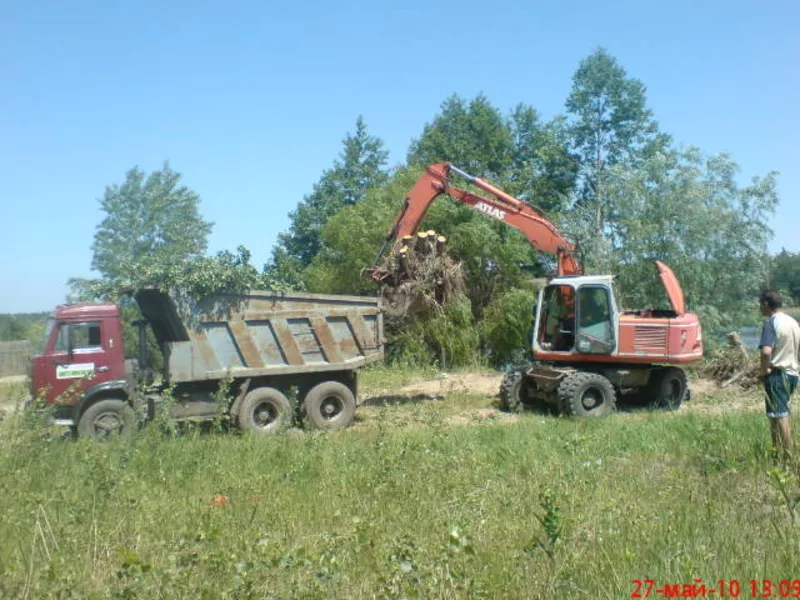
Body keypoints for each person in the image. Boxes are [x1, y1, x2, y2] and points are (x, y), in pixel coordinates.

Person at [758, 289, 800, 462]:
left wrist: (763, 371)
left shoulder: (771, 323)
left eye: (760, 305)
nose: (760, 308)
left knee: (780, 416)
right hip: (793, 374)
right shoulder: (793, 322)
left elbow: (766, 351)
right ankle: (776, 455)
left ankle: (789, 458)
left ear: (767, 304)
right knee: (775, 416)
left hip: (777, 374)